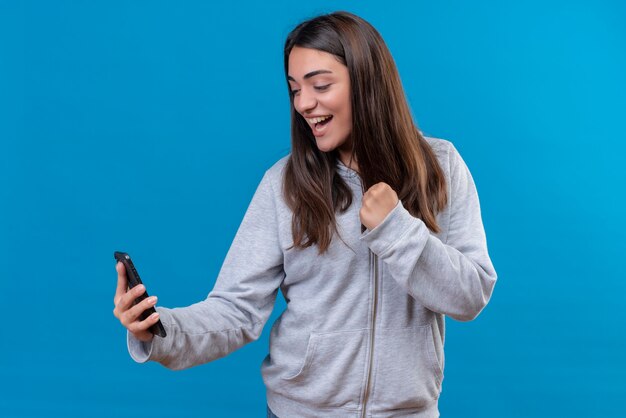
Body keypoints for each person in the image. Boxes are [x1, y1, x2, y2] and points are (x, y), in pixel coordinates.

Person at [113, 11, 497, 418]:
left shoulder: (440, 166)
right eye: (295, 89)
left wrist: (397, 230)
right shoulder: (285, 185)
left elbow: (471, 296)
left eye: (320, 85)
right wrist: (158, 329)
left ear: (367, 81)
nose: (304, 104)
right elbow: (236, 311)